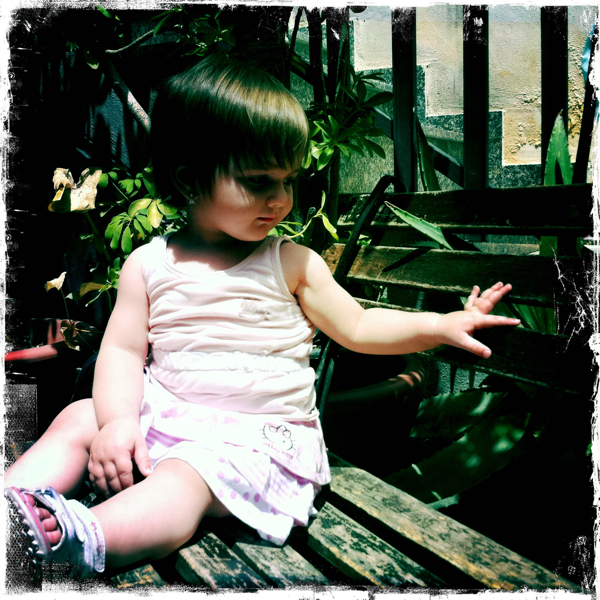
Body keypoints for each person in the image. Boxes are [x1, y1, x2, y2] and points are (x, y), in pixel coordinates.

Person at [4, 55, 520, 582]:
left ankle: (85, 537)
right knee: (81, 415)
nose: (280, 200)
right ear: (189, 179)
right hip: (169, 416)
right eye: (258, 182)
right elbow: (121, 352)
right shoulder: (149, 265)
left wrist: (441, 326)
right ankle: (10, 510)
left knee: (187, 477)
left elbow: (359, 326)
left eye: (288, 181)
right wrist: (117, 424)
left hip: (254, 444)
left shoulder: (291, 263)